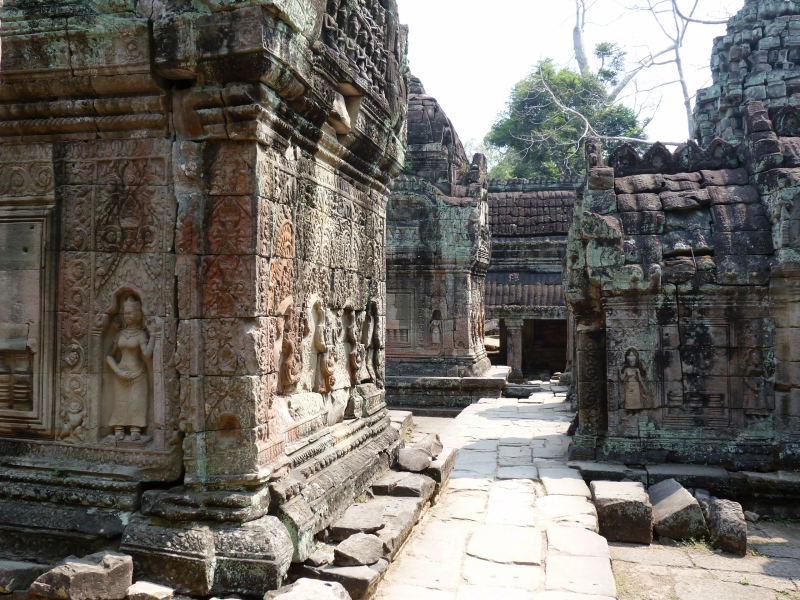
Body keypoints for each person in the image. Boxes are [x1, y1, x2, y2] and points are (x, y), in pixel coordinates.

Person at [106, 296, 154, 441]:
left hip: (138, 374)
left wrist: (154, 336)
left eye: (130, 313)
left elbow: (147, 354)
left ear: (138, 315)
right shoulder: (119, 334)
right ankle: (119, 427)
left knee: (136, 402)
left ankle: (135, 427)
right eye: (125, 313)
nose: (127, 316)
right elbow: (109, 356)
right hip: (120, 374)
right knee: (120, 403)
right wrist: (118, 371)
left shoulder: (141, 335)